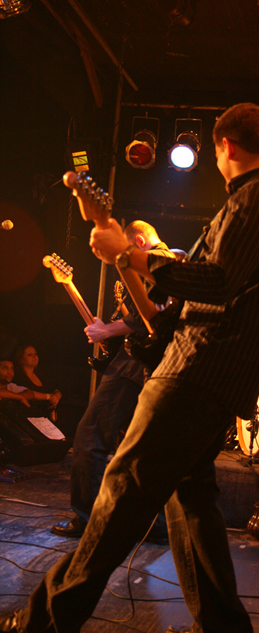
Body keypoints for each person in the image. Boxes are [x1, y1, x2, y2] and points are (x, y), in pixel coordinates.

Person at [0, 102, 259, 633]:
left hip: (198, 372)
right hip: (208, 371)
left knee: (121, 491)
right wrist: (132, 270)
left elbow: (217, 281)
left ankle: (45, 629)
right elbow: (200, 303)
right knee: (191, 500)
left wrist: (135, 255)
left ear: (225, 146)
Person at [50, 220, 175, 539]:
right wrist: (106, 330)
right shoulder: (165, 262)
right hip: (145, 366)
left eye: (128, 249)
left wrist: (107, 330)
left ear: (139, 241)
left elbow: (153, 315)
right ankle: (156, 526)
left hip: (134, 367)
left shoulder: (160, 258)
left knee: (89, 436)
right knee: (140, 448)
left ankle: (88, 519)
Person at [13, 345, 62, 417]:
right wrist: (49, 396)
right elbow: (27, 394)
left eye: (35, 354)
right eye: (29, 355)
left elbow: (56, 390)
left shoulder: (41, 375)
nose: (34, 357)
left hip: (45, 416)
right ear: (20, 359)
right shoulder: (17, 376)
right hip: (28, 415)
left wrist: (57, 396)